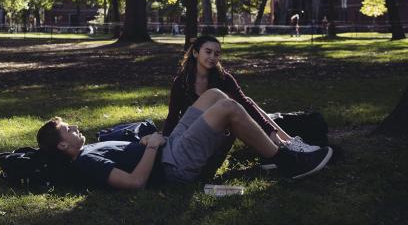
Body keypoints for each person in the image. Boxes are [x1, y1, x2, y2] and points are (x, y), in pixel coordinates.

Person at [37, 89, 333, 190]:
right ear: (63, 146)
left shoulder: (89, 147)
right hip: (171, 165)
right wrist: (152, 146)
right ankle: (286, 161)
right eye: (68, 128)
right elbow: (135, 183)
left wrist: (148, 140)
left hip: (168, 145)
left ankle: (276, 147)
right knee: (227, 108)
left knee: (215, 95)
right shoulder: (86, 161)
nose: (74, 125)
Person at [163, 35, 320, 162]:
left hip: (218, 131)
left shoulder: (224, 78)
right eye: (208, 52)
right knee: (244, 103)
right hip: (193, 135)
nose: (212, 57)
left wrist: (269, 130)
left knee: (247, 102)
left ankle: (285, 142)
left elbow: (245, 105)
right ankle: (282, 144)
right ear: (196, 53)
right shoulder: (182, 82)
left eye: (216, 54)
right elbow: (173, 116)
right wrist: (165, 143)